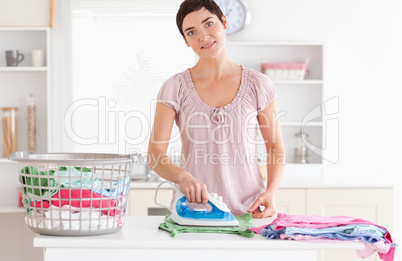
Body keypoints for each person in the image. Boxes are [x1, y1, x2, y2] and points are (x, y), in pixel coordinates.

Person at [147, 0, 285, 218]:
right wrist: (183, 177)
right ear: (185, 41)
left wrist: (272, 192)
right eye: (192, 32)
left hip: (249, 211)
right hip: (193, 213)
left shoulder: (259, 85)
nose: (203, 36)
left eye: (208, 24)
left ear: (224, 22)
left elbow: (275, 146)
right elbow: (155, 154)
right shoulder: (175, 87)